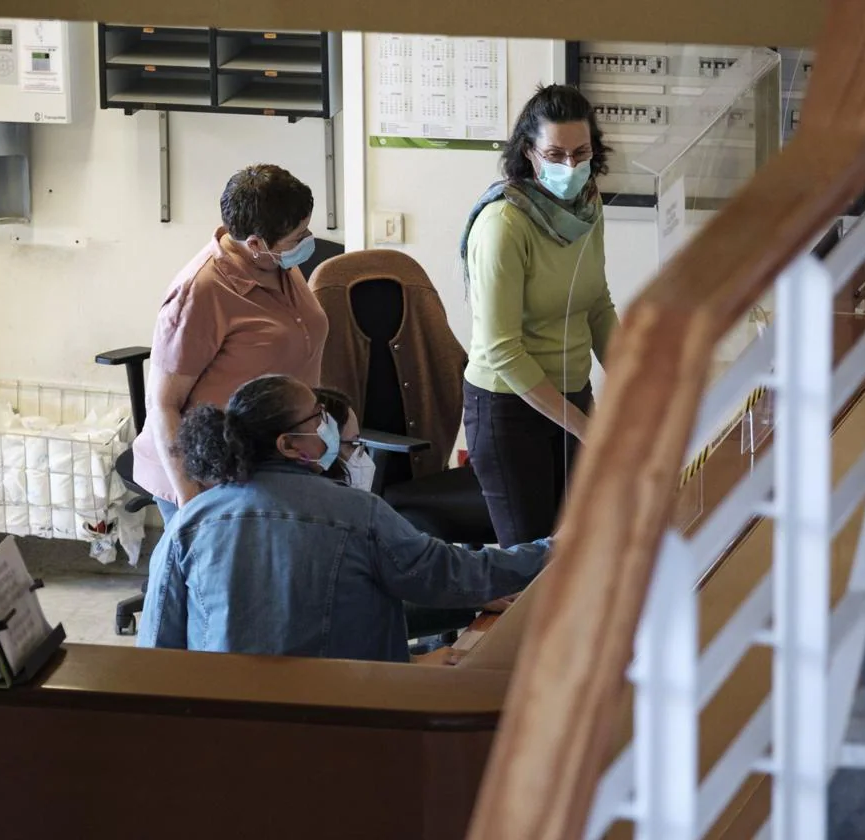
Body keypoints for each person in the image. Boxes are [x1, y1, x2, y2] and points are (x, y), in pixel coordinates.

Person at [136, 375, 550, 663]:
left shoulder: (188, 525)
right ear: (290, 445)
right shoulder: (358, 514)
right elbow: (452, 573)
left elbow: (157, 649)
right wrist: (555, 549)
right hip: (343, 716)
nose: (329, 423)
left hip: (225, 727)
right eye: (318, 416)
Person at [460, 84, 620, 547]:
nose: (571, 166)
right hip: (510, 408)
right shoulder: (503, 225)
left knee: (582, 548)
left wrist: (636, 388)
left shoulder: (589, 208)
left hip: (571, 395)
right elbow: (503, 351)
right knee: (532, 565)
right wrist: (586, 426)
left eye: (581, 152)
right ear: (530, 154)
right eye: (556, 153)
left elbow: (597, 305)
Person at [132, 164, 329, 525]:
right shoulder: (201, 292)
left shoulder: (276, 265)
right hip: (211, 478)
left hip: (267, 465)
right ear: (255, 244)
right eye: (297, 238)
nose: (306, 243)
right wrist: (192, 503)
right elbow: (164, 403)